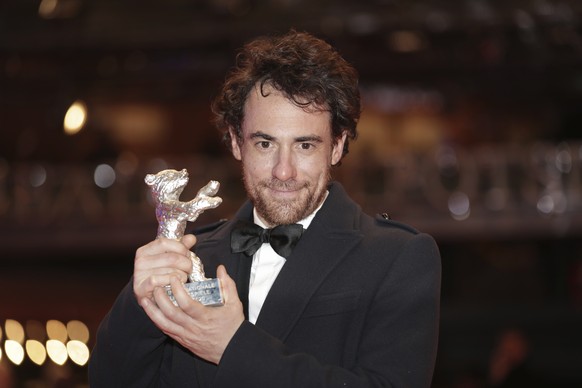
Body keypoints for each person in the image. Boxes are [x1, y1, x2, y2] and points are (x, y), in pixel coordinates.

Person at [89, 29, 441, 387]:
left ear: (336, 146)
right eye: (264, 144)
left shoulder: (397, 258)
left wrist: (233, 347)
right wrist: (138, 302)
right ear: (235, 142)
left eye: (304, 145)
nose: (283, 171)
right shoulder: (193, 257)